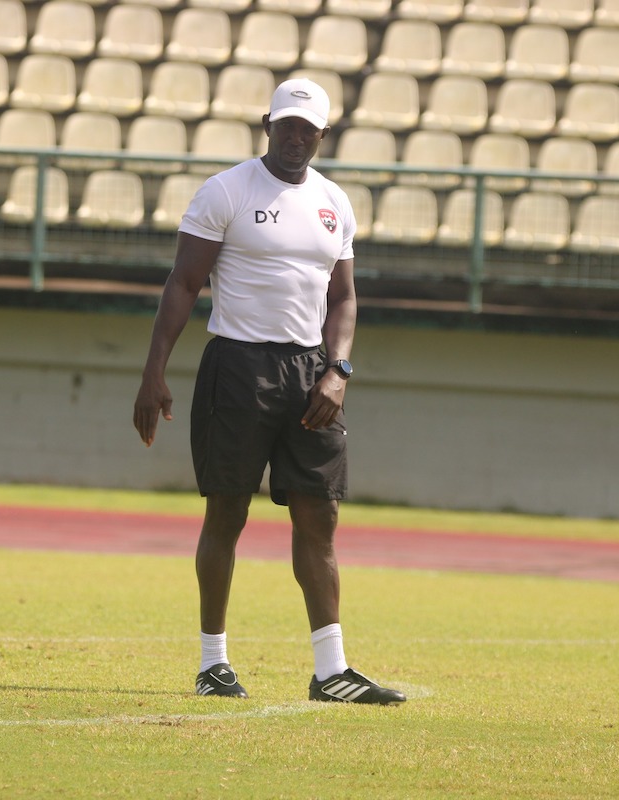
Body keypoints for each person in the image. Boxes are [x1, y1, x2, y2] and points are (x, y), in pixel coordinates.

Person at [132, 78, 406, 706]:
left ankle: (331, 671)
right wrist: (153, 373)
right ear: (267, 124)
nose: (295, 137)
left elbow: (343, 297)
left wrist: (338, 371)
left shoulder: (335, 202)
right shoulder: (225, 191)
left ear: (322, 135)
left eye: (307, 128)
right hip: (237, 366)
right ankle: (212, 663)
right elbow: (183, 284)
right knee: (227, 511)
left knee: (320, 513)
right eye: (286, 125)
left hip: (309, 372)